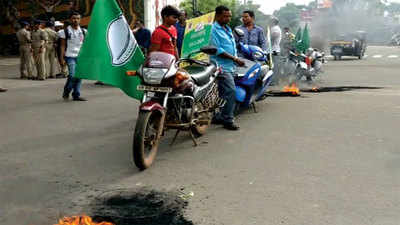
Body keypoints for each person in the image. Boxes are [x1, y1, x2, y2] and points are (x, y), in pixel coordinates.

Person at [210, 5, 245, 131]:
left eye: (229, 16)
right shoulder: (213, 29)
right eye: (225, 16)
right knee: (231, 91)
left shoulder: (228, 29)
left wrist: (235, 60)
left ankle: (219, 116)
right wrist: (235, 59)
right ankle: (228, 120)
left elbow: (232, 46)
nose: (228, 18)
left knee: (224, 93)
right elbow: (217, 49)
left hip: (230, 66)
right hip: (220, 66)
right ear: (217, 15)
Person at [59, 11, 87, 101]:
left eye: (78, 18)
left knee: (79, 76)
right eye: (74, 18)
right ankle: (66, 91)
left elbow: (86, 45)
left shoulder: (83, 31)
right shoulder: (65, 31)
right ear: (70, 19)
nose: (76, 20)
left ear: (80, 20)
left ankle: (76, 95)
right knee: (72, 75)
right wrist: (61, 58)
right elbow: (62, 45)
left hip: (80, 57)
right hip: (70, 56)